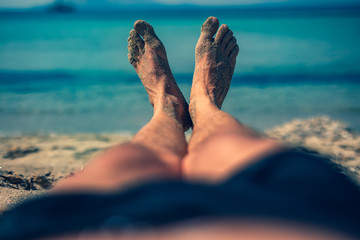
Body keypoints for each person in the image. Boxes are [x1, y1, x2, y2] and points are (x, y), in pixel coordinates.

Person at [1, 17, 360, 240]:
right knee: (232, 146)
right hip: (303, 214)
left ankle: (169, 108)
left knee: (126, 160)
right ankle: (203, 104)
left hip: (73, 222)